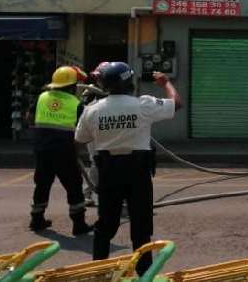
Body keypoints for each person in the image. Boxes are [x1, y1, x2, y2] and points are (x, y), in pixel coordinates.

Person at [75, 62, 182, 275]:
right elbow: (176, 103)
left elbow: (79, 141)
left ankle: (99, 272)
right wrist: (166, 83)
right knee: (141, 228)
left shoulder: (92, 110)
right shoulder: (143, 105)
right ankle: (144, 274)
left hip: (108, 172)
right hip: (137, 172)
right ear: (128, 82)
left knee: (105, 226)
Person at [28, 66, 94, 235]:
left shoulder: (42, 97)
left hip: (41, 149)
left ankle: (36, 220)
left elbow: (29, 117)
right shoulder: (76, 104)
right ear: (73, 86)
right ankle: (78, 224)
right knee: (74, 186)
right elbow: (84, 130)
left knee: (42, 184)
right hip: (64, 152)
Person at [80, 62, 110, 207]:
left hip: (111, 125)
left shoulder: (118, 89)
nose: (98, 80)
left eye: (100, 77)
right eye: (97, 77)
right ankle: (88, 193)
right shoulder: (90, 91)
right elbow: (82, 107)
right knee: (96, 160)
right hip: (95, 126)